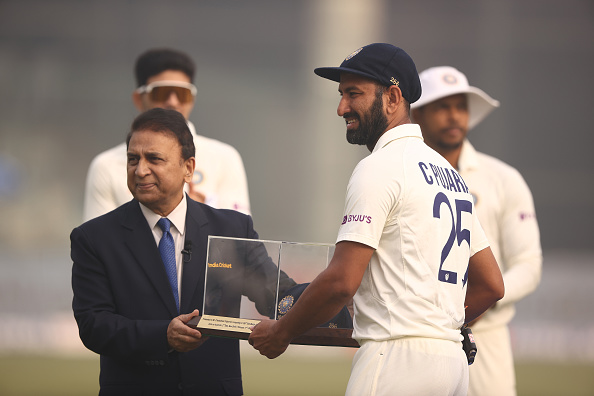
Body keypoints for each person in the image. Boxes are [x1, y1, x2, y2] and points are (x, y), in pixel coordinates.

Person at [248, 43, 505, 395]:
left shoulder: (379, 167)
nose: (341, 108)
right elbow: (491, 285)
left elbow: (341, 282)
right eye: (341, 95)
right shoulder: (450, 173)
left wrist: (281, 332)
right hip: (453, 364)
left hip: (396, 360)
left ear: (392, 97)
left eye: (354, 94)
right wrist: (435, 327)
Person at [71, 108, 294, 395]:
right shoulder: (94, 238)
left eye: (154, 159)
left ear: (189, 168)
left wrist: (332, 306)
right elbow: (93, 325)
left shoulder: (232, 229)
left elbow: (276, 293)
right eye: (132, 159)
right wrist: (163, 335)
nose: (140, 170)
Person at [411, 66, 542, 396]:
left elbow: (529, 265)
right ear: (418, 115)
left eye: (461, 106)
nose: (454, 116)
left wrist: (481, 303)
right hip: (417, 334)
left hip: (487, 341)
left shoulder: (503, 179)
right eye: (443, 106)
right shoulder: (401, 174)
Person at [83, 48, 250, 221]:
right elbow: (98, 242)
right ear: (139, 99)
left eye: (182, 94)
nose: (173, 101)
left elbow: (237, 240)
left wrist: (198, 215)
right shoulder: (106, 166)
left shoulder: (224, 158)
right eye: (161, 92)